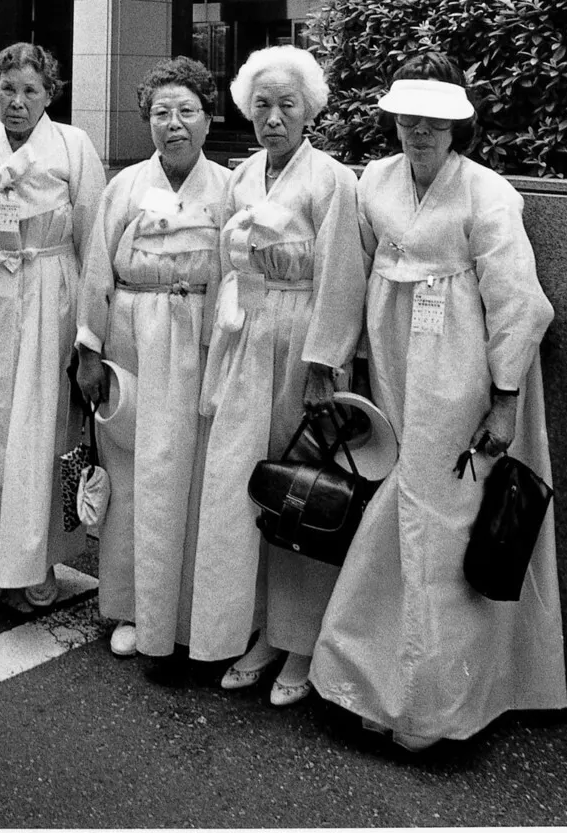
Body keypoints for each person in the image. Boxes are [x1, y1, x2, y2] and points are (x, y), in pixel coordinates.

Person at [309, 50, 566, 751]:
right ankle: (381, 683)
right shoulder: (372, 184)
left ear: (459, 126)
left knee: (447, 523)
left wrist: (505, 397)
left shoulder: (488, 193)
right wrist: (329, 361)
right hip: (395, 359)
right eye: (409, 118)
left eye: (435, 120)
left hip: (461, 366)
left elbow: (518, 301)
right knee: (400, 513)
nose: (418, 131)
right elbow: (343, 274)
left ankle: (437, 705)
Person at [188, 45, 366, 707]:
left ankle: (301, 640)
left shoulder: (332, 180)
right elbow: (225, 269)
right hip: (245, 339)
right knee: (247, 483)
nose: (272, 116)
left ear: (310, 108)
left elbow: (343, 276)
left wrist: (325, 361)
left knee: (300, 487)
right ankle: (257, 626)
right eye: (261, 104)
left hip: (299, 345)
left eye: (286, 104)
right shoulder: (242, 178)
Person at [0, 42, 106, 607]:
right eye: (7, 88)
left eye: (31, 90)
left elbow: (93, 240)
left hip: (48, 296)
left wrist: (89, 335)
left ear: (49, 94)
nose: (17, 101)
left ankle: (38, 560)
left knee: (44, 430)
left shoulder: (73, 146)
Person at [75, 56, 230, 667]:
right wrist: (88, 352)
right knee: (133, 470)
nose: (174, 124)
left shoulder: (228, 188)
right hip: (131, 335)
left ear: (208, 119)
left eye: (186, 111)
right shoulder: (124, 187)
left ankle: (190, 609)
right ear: (147, 122)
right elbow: (95, 274)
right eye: (162, 113)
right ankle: (131, 605)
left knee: (191, 474)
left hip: (198, 335)